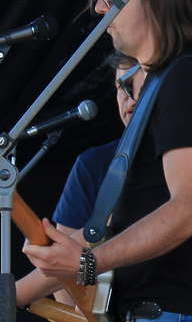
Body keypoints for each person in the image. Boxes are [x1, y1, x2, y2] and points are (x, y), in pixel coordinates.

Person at [22, 0, 192, 322]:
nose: (100, 7)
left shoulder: (190, 75)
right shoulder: (163, 83)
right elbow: (124, 220)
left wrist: (88, 262)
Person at [16, 52, 146, 307]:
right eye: (119, 88)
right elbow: (65, 276)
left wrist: (14, 294)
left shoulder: (187, 157)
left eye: (133, 85)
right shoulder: (93, 163)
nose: (127, 98)